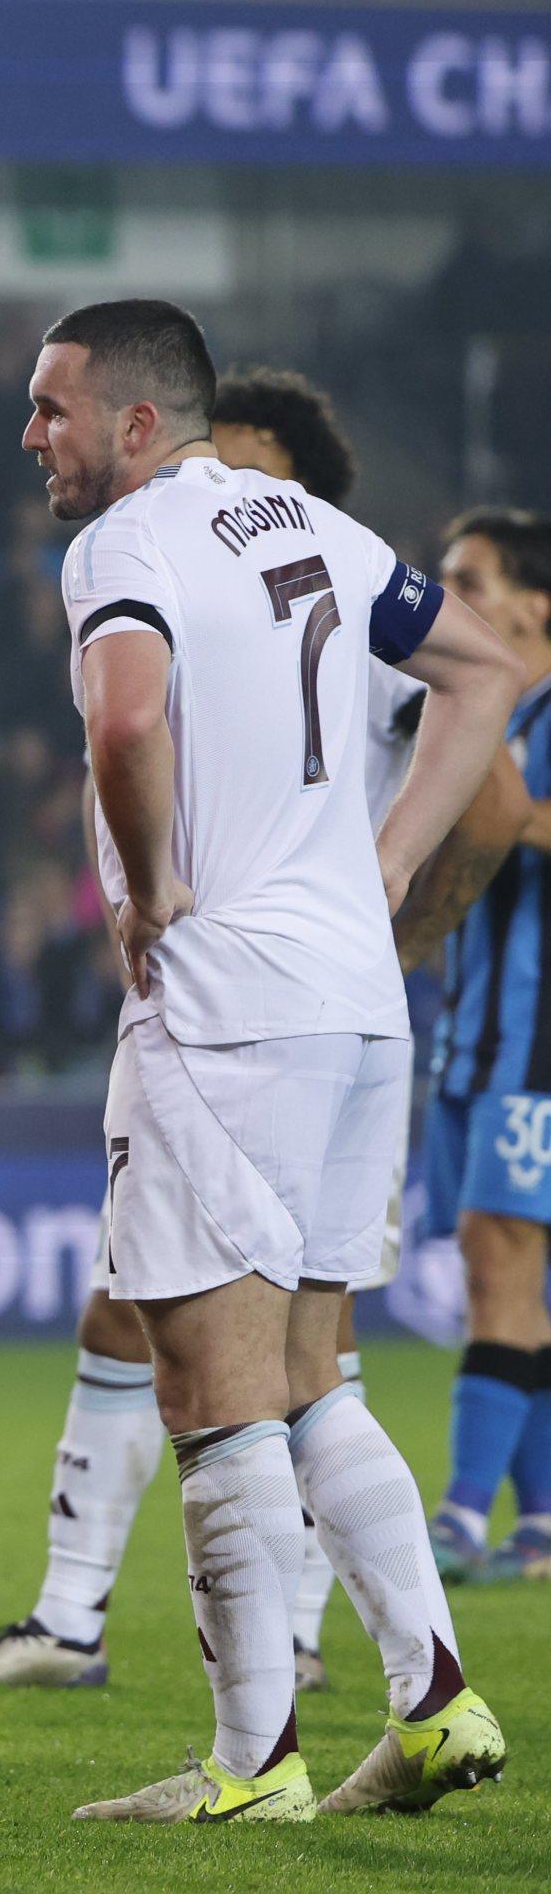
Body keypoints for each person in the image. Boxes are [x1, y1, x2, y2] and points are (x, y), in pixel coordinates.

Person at [0, 368, 522, 1692]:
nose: (217, 492)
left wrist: (395, 899)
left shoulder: (310, 593)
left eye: (241, 468)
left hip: (256, 1005)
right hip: (317, 1006)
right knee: (212, 1332)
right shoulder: (267, 581)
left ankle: (272, 1697)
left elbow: (494, 788)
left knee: (281, 1366)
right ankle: (411, 1694)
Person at [413, 505, 551, 1582]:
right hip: (469, 1042)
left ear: (535, 602)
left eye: (471, 576)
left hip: (534, 1052)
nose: (450, 591)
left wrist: (486, 799)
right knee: (505, 1279)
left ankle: (459, 1517)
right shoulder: (492, 707)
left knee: (498, 1266)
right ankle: (541, 1524)